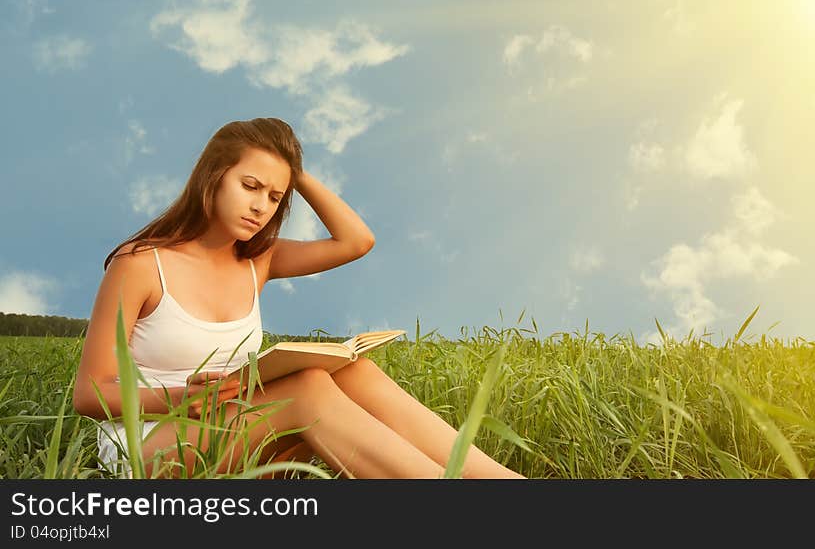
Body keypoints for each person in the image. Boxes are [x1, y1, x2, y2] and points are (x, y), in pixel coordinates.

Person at [73, 117, 524, 479]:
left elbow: (356, 241)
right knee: (307, 389)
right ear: (212, 177)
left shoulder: (257, 259)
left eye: (275, 196)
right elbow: (89, 396)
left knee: (355, 371)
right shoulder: (139, 265)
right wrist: (184, 399)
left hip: (234, 424)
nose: (261, 207)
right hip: (151, 442)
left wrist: (294, 171)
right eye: (250, 186)